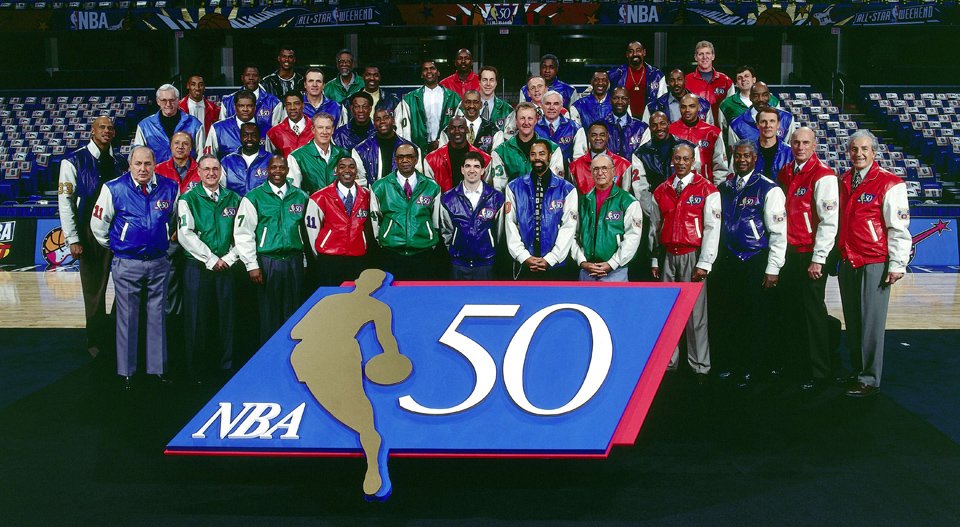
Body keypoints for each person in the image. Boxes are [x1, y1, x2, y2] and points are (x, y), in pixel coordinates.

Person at [289, 268, 412, 500]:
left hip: (310, 354)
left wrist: (392, 359)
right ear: (377, 286)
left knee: (352, 411)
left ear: (359, 281)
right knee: (359, 416)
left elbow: (297, 332)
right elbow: (387, 341)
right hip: (333, 354)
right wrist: (393, 357)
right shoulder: (377, 308)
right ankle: (370, 452)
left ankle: (372, 461)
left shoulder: (331, 301)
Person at [90, 146, 179, 389]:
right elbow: (98, 226)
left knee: (157, 317)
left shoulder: (170, 187)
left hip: (159, 262)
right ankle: (126, 372)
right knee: (127, 318)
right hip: (127, 263)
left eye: (147, 164)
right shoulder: (113, 188)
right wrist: (120, 246)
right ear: (129, 165)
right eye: (137, 164)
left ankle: (157, 370)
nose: (142, 169)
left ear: (154, 165)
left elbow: (173, 221)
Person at [837, 131, 911, 398]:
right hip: (848, 259)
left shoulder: (890, 183)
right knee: (853, 321)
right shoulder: (844, 180)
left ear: (874, 152)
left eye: (864, 149)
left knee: (871, 322)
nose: (859, 154)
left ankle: (869, 378)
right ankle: (858, 370)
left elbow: (898, 227)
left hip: (874, 260)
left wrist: (897, 263)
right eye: (854, 149)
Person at [710, 140, 787, 388]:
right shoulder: (724, 187)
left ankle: (752, 368)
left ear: (755, 158)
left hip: (755, 259)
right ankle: (734, 364)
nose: (742, 160)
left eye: (746, 156)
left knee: (755, 317)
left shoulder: (768, 188)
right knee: (731, 314)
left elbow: (778, 233)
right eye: (738, 156)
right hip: (729, 260)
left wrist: (773, 268)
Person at [57, 115, 127, 358]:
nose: (106, 131)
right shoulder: (73, 160)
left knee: (125, 285)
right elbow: (65, 202)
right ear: (92, 131)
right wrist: (73, 238)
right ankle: (96, 341)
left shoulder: (120, 161)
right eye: (102, 127)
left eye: (110, 128)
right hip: (88, 233)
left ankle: (116, 335)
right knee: (94, 291)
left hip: (118, 232)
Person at [776, 127, 839, 391]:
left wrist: (819, 258)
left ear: (814, 145)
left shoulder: (823, 175)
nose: (800, 147)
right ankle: (796, 365)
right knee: (791, 311)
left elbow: (829, 222)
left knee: (813, 313)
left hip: (809, 255)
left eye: (805, 143)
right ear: (790, 144)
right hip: (788, 253)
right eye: (796, 142)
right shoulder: (786, 172)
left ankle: (819, 372)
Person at [651, 143, 720, 384]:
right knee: (668, 312)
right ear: (672, 160)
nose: (681, 163)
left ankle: (700, 366)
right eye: (677, 158)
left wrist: (705, 262)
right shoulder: (662, 190)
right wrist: (654, 258)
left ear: (693, 161)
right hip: (668, 255)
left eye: (686, 159)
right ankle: (668, 363)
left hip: (693, 254)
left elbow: (712, 228)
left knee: (696, 315)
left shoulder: (707, 189)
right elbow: (654, 228)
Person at [177, 155, 240, 383]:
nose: (211, 173)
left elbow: (242, 233)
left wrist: (230, 257)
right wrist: (210, 258)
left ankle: (226, 367)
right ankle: (197, 370)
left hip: (227, 266)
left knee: (227, 318)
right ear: (199, 172)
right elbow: (185, 234)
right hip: (198, 266)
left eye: (215, 169)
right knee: (197, 319)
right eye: (206, 169)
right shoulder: (188, 199)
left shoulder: (234, 198)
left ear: (221, 171)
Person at [234, 155, 309, 344]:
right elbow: (243, 233)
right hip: (268, 262)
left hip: (294, 260)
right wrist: (252, 265)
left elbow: (306, 231)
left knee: (294, 312)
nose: (277, 171)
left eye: (281, 167)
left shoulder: (300, 196)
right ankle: (270, 355)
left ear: (287, 170)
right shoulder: (254, 197)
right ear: (267, 170)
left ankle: (292, 354)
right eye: (274, 167)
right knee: (269, 313)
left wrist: (305, 260)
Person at [627, 112, 698, 282]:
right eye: (654, 124)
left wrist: (681, 209)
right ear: (649, 127)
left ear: (669, 124)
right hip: (656, 211)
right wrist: (655, 211)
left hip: (687, 215)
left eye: (662, 123)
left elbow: (695, 179)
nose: (659, 128)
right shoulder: (641, 153)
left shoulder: (687, 147)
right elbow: (640, 188)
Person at [504, 139, 578, 280]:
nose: (537, 158)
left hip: (556, 265)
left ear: (550, 156)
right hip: (524, 263)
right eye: (533, 154)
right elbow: (510, 224)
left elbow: (568, 227)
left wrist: (552, 258)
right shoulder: (514, 187)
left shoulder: (567, 189)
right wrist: (523, 256)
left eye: (542, 154)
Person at [369, 143, 443, 280]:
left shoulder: (432, 187)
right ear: (395, 160)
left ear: (416, 159)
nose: (405, 160)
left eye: (409, 156)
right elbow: (375, 220)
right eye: (400, 157)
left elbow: (436, 221)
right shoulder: (380, 187)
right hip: (392, 253)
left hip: (423, 252)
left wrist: (430, 240)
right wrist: (383, 240)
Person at [572, 154, 643, 282]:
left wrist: (612, 263)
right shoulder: (583, 201)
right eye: (596, 169)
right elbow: (572, 235)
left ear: (613, 171)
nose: (600, 173)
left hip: (616, 272)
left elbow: (633, 237)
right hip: (586, 271)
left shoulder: (628, 202)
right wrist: (581, 261)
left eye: (604, 168)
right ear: (591, 172)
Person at [304, 157, 372, 287]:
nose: (347, 170)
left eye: (351, 167)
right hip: (329, 259)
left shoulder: (367, 195)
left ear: (356, 171)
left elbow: (370, 226)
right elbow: (312, 232)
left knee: (355, 296)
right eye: (342, 167)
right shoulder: (319, 197)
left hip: (357, 257)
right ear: (336, 171)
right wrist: (320, 251)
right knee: (331, 296)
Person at [440, 151, 505, 280]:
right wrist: (455, 248)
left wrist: (491, 247)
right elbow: (446, 232)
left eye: (476, 166)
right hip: (458, 263)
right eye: (468, 166)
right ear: (462, 170)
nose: (472, 170)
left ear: (482, 170)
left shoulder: (496, 197)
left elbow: (500, 233)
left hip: (486, 262)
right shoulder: (448, 198)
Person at [488, 102, 564, 192]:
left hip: (545, 198)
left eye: (530, 118)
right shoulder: (500, 152)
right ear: (516, 121)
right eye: (522, 118)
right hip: (513, 199)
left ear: (536, 120)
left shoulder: (553, 149)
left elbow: (556, 185)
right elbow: (499, 189)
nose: (526, 122)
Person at [395, 60, 462, 154]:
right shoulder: (409, 99)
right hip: (419, 149)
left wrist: (441, 141)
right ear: (422, 74)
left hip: (446, 148)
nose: (429, 71)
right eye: (425, 69)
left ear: (438, 72)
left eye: (432, 68)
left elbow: (460, 125)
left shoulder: (453, 98)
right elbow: (400, 128)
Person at [133, 84, 204, 164]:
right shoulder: (145, 126)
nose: (168, 104)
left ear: (178, 100)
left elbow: (201, 157)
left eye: (172, 100)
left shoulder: (194, 124)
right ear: (158, 101)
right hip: (155, 171)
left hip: (186, 171)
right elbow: (138, 156)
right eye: (164, 100)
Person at [669, 93, 729, 185]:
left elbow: (720, 167)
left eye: (691, 106)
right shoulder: (670, 131)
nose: (687, 110)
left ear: (699, 107)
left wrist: (716, 189)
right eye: (683, 107)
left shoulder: (713, 132)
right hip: (676, 186)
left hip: (705, 186)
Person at [352, 108, 419, 186]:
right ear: (374, 124)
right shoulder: (360, 150)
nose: (382, 121)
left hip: (403, 192)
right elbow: (360, 182)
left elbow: (417, 178)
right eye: (378, 119)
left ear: (393, 120)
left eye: (386, 118)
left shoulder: (412, 149)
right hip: (374, 192)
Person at [288, 112, 351, 194]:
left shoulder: (343, 154)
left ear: (332, 130)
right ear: (313, 130)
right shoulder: (297, 157)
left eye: (328, 128)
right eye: (320, 127)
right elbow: (294, 193)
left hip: (339, 202)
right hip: (311, 202)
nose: (324, 132)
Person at [423, 116, 491, 192]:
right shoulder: (431, 160)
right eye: (452, 128)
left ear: (467, 130)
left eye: (461, 127)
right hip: (442, 199)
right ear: (448, 131)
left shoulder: (485, 159)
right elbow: (430, 191)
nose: (457, 131)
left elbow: (487, 190)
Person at [607, 41, 667, 119]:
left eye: (638, 51)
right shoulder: (615, 75)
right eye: (631, 51)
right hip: (622, 121)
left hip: (649, 122)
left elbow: (663, 103)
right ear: (627, 55)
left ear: (644, 52)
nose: (635, 54)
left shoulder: (657, 75)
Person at [569, 122, 631, 195]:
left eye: (602, 135)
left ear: (607, 137)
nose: (598, 138)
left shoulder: (623, 165)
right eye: (594, 135)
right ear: (588, 137)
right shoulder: (575, 167)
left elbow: (626, 197)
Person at [727, 81, 796, 148]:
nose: (760, 99)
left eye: (764, 95)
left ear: (769, 96)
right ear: (750, 97)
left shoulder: (786, 119)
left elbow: (792, 150)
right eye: (756, 96)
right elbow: (734, 154)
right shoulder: (736, 125)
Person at [219, 65, 281, 137]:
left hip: (263, 144)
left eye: (254, 75)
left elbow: (277, 133)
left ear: (260, 78)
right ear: (242, 78)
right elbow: (222, 130)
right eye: (248, 75)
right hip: (233, 143)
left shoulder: (274, 102)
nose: (251, 78)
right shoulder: (227, 102)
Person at [685, 41, 734, 124]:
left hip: (720, 130)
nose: (705, 57)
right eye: (701, 54)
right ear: (695, 57)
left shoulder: (726, 81)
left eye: (708, 53)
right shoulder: (686, 81)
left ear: (713, 56)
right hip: (694, 129)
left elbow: (732, 109)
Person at [535, 90, 586, 165]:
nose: (551, 107)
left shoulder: (575, 128)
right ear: (541, 106)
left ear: (561, 106)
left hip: (566, 171)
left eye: (556, 104)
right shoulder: (534, 128)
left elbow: (579, 160)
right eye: (548, 104)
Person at [221, 122, 271, 197]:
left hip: (262, 204)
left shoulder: (271, 160)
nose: (249, 139)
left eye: (254, 135)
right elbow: (221, 191)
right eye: (245, 135)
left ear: (260, 138)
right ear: (240, 137)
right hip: (235, 204)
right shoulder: (227, 161)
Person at [648, 68, 713, 124]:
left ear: (685, 81)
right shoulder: (656, 105)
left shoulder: (703, 104)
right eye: (672, 80)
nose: (676, 83)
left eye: (679, 79)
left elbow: (710, 131)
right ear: (668, 83)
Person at [205, 90, 257, 160]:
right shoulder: (218, 129)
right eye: (241, 106)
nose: (245, 109)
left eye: (249, 106)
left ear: (255, 107)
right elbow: (208, 160)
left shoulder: (265, 128)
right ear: (235, 107)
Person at [602, 87, 651, 161]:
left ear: (629, 101)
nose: (620, 102)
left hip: (633, 168)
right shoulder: (600, 126)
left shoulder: (642, 128)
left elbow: (645, 157)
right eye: (616, 98)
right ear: (610, 100)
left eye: (624, 98)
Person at [443, 90, 496, 154]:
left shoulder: (494, 130)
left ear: (481, 105)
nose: (471, 106)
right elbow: (442, 156)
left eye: (476, 102)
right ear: (462, 104)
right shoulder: (448, 130)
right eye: (468, 102)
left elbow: (496, 157)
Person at [266, 91, 312, 157]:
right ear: (285, 106)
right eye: (288, 104)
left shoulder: (315, 129)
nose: (292, 108)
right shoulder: (274, 133)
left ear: (303, 105)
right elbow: (269, 159)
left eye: (296, 103)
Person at [753, 107, 793, 180]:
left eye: (772, 121)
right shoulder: (747, 150)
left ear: (778, 124)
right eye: (763, 121)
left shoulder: (790, 153)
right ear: (757, 125)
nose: (768, 125)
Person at [478, 66, 513, 131]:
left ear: (496, 83)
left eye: (491, 80)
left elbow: (511, 135)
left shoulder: (507, 109)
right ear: (479, 82)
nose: (488, 84)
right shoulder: (466, 106)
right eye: (485, 80)